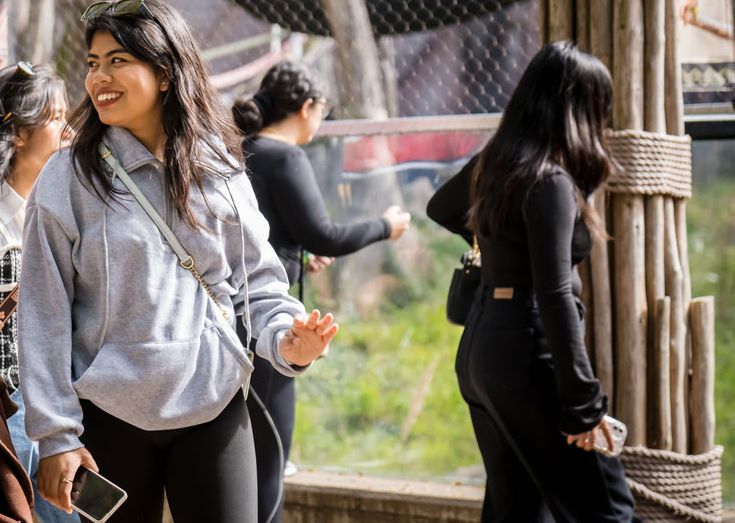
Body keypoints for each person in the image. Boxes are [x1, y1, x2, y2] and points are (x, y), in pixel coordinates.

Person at [16, 0, 339, 523]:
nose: (100, 76)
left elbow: (257, 282)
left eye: (118, 60)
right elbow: (43, 313)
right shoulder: (68, 177)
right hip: (109, 419)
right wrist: (55, 436)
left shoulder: (219, 168)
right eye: (94, 63)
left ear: (165, 73)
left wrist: (287, 339)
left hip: (214, 406)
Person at [426, 41, 640, 522]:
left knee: (516, 510)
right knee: (607, 511)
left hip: (482, 350)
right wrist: (584, 405)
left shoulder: (498, 164)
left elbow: (440, 207)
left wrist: (499, 242)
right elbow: (555, 296)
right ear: (578, 111)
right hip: (526, 352)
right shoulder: (549, 181)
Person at [232, 60, 411, 523]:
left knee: (239, 455)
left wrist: (297, 254)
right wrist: (385, 227)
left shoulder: (240, 151)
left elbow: (265, 236)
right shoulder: (284, 156)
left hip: (229, 316)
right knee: (270, 456)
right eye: (322, 109)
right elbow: (324, 234)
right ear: (307, 107)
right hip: (268, 325)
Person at [0, 60, 78, 523]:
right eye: (56, 118)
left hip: (60, 418)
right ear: (16, 133)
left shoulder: (66, 211)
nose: (69, 130)